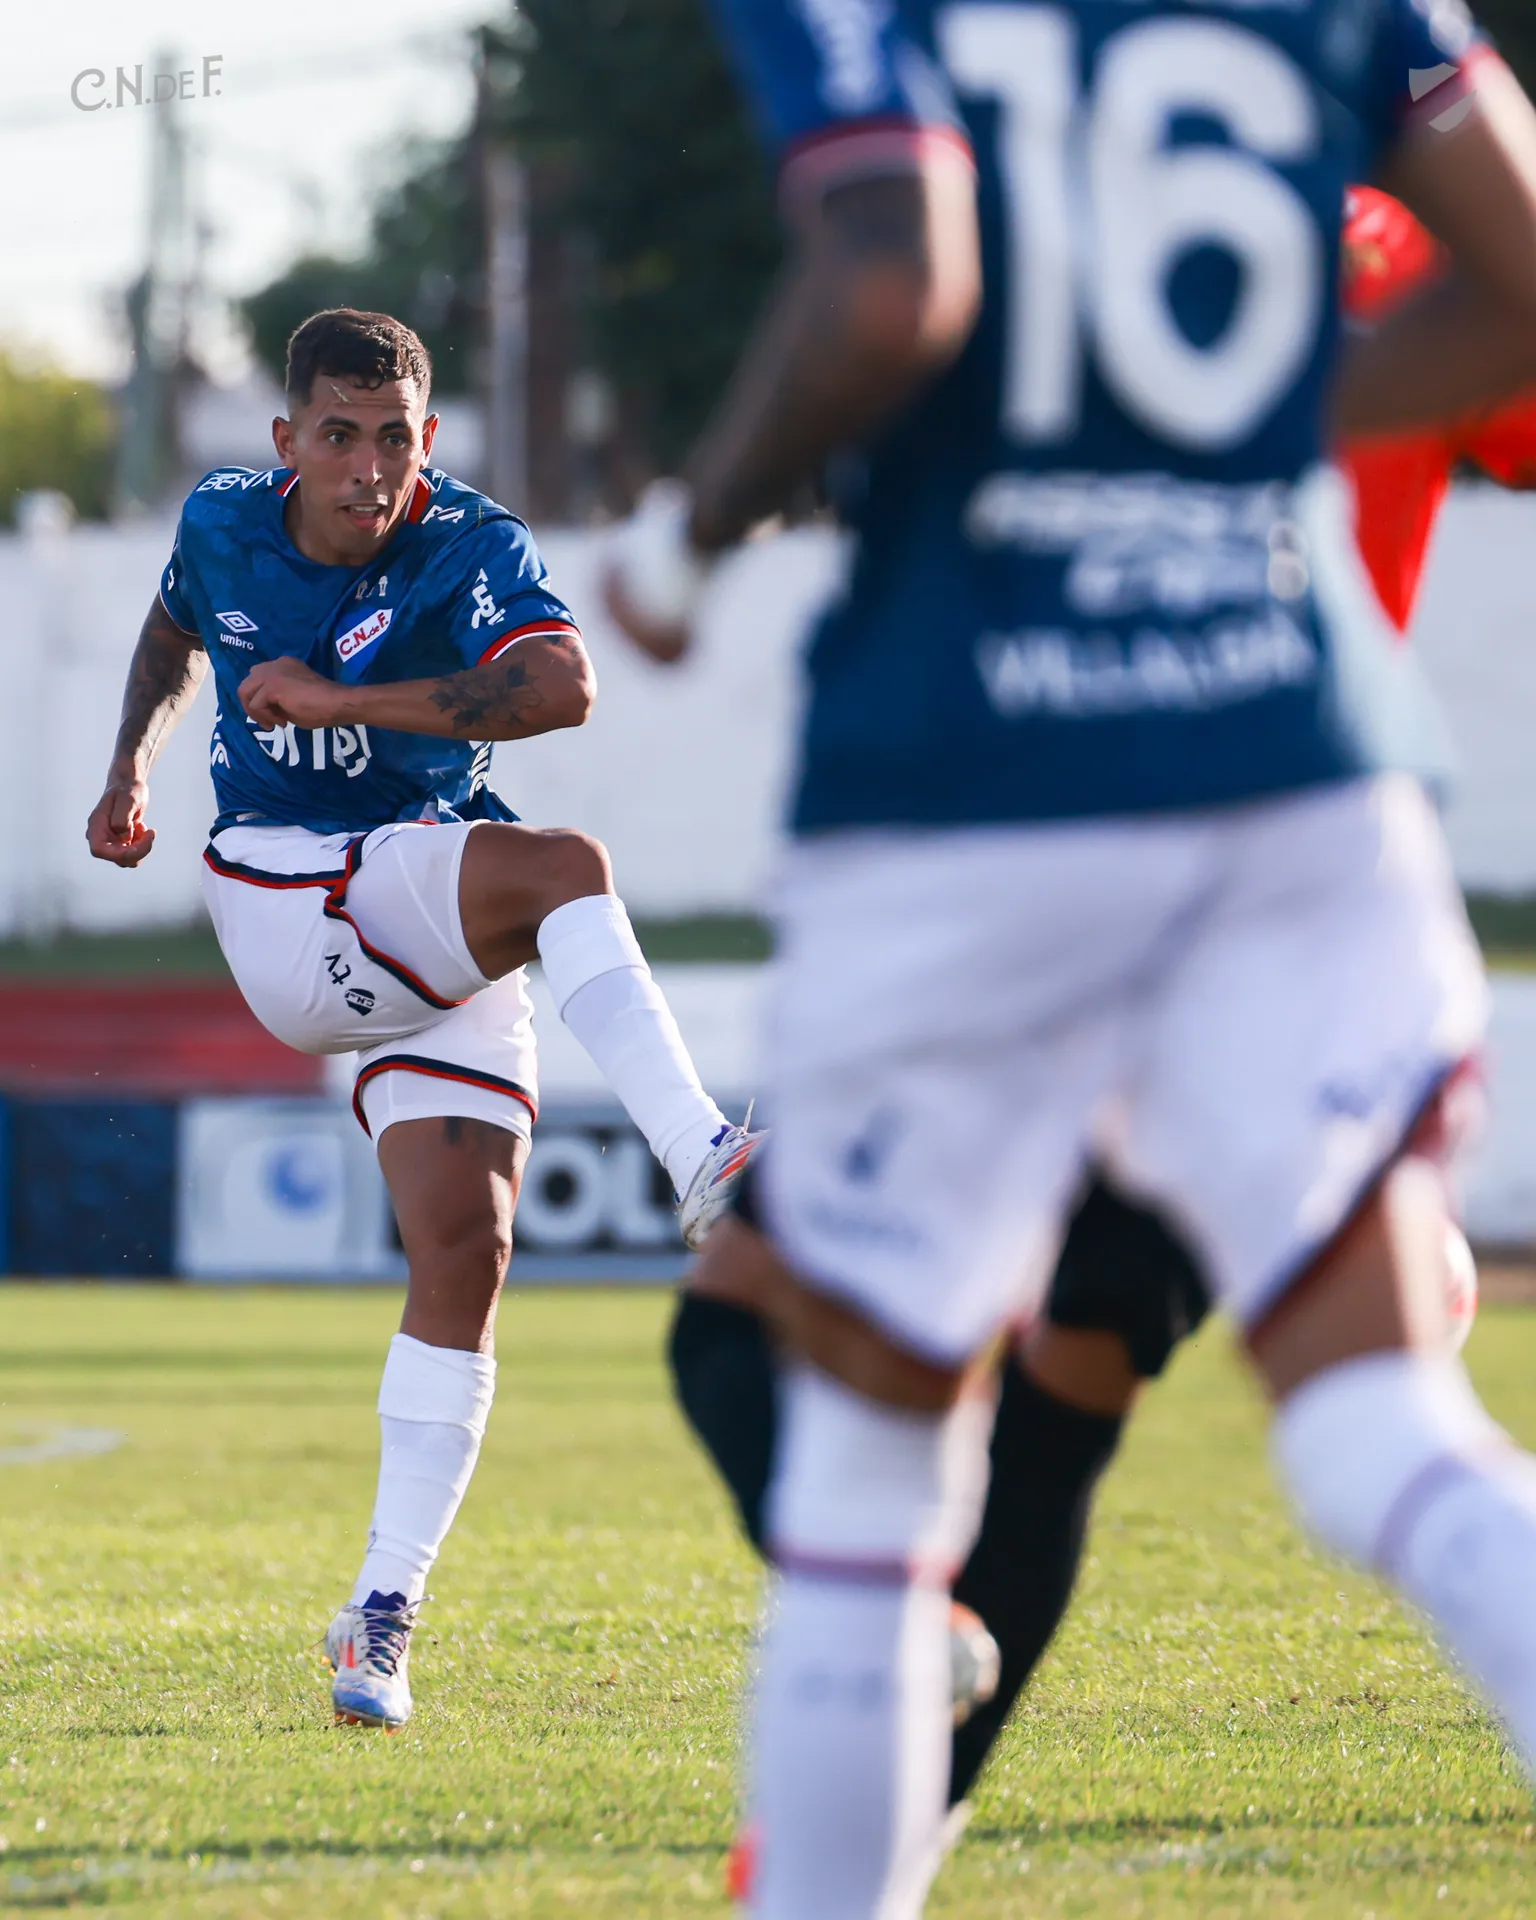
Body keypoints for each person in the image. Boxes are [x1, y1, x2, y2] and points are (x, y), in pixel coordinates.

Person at [603, 1, 1536, 1910]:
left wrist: (686, 544)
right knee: (1370, 1413)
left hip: (980, 786)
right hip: (1294, 784)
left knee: (861, 1474)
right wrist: (1245, 415)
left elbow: (893, 277)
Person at [86, 307, 761, 1734]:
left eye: (394, 438)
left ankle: (378, 1619)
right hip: (286, 897)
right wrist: (130, 767)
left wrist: (345, 697)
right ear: (287, 440)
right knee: (565, 870)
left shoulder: (467, 540)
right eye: (339, 436)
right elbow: (170, 626)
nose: (369, 467)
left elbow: (562, 688)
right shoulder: (222, 522)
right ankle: (705, 1157)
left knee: (467, 1249)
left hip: (418, 905)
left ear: (428, 438)